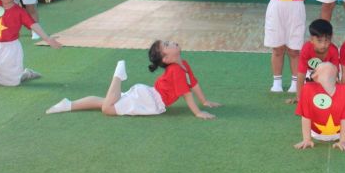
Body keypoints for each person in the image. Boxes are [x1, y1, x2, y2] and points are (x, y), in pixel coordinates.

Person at [46, 40, 221, 118]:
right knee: (107, 109)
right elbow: (186, 93)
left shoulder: (184, 65)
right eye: (167, 45)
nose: (172, 42)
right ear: (167, 59)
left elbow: (193, 84)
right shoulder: (176, 70)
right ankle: (118, 75)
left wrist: (204, 102)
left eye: (168, 42)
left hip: (148, 95)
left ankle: (68, 104)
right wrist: (197, 112)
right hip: (150, 99)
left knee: (105, 102)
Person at [295, 62, 345, 152]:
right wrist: (343, 141)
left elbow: (306, 116)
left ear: (315, 76)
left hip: (318, 134)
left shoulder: (307, 89)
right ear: (337, 79)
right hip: (328, 134)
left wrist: (307, 139)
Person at [288, 19, 339, 104]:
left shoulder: (333, 50)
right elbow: (301, 74)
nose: (323, 45)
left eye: (327, 40)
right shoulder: (306, 49)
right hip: (310, 72)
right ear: (312, 39)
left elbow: (335, 74)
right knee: (308, 89)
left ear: (331, 38)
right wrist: (299, 97)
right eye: (319, 41)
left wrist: (336, 94)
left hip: (327, 72)